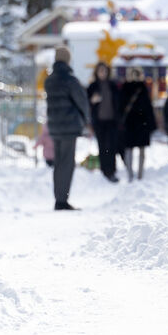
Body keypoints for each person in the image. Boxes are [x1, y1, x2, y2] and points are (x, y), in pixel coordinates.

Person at [44, 46, 91, 211]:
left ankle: (59, 197)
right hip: (69, 126)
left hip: (54, 126)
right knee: (67, 163)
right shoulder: (70, 80)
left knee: (58, 163)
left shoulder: (49, 80)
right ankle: (62, 201)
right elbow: (82, 101)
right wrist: (86, 119)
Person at [119, 67, 157, 181]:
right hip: (137, 123)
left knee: (134, 150)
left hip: (135, 123)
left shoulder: (134, 88)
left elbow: (148, 107)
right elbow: (148, 107)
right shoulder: (138, 88)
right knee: (133, 150)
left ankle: (136, 175)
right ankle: (133, 175)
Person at [87, 61, 121, 183]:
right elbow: (86, 103)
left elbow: (118, 102)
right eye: (100, 71)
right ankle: (104, 171)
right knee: (102, 147)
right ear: (96, 72)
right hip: (99, 122)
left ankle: (112, 171)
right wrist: (92, 101)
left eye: (104, 71)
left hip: (112, 121)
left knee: (112, 147)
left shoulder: (113, 85)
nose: (102, 73)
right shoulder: (92, 87)